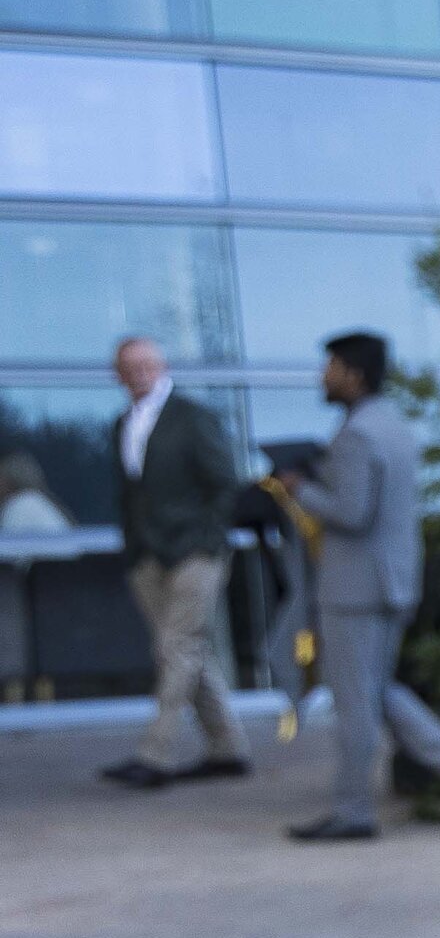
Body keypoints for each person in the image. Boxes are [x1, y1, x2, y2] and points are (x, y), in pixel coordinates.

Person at [275, 334, 440, 840]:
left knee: (354, 704)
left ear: (353, 373)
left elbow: (351, 513)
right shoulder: (392, 426)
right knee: (374, 691)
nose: (322, 376)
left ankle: (353, 813)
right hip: (391, 583)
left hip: (354, 590)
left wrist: (300, 488)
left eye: (329, 366)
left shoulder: (356, 435)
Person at [99, 335, 252, 790]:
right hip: (147, 556)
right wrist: (134, 548)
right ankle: (228, 748)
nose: (141, 372)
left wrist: (205, 540)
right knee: (188, 651)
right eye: (131, 366)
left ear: (162, 365)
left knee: (175, 649)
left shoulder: (192, 417)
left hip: (194, 553)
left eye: (148, 363)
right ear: (118, 375)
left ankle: (155, 754)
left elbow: (226, 483)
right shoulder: (120, 424)